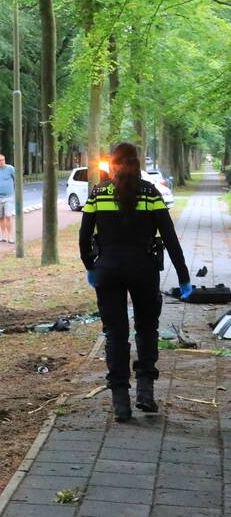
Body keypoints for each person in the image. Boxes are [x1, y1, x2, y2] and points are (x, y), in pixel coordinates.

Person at [79, 142, 191, 422]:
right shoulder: (151, 193)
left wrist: (90, 266)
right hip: (144, 269)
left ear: (113, 164)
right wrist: (184, 275)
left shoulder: (98, 193)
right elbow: (169, 238)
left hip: (108, 271)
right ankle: (145, 393)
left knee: (115, 334)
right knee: (146, 328)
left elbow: (84, 237)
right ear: (137, 162)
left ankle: (120, 402)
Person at [0, 154, 17, 243]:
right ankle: (3, 236)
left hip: (8, 196)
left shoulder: (10, 169)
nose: (2, 162)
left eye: (3, 160)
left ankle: (10, 236)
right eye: (0, 160)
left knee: (8, 216)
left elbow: (16, 179)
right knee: (0, 217)